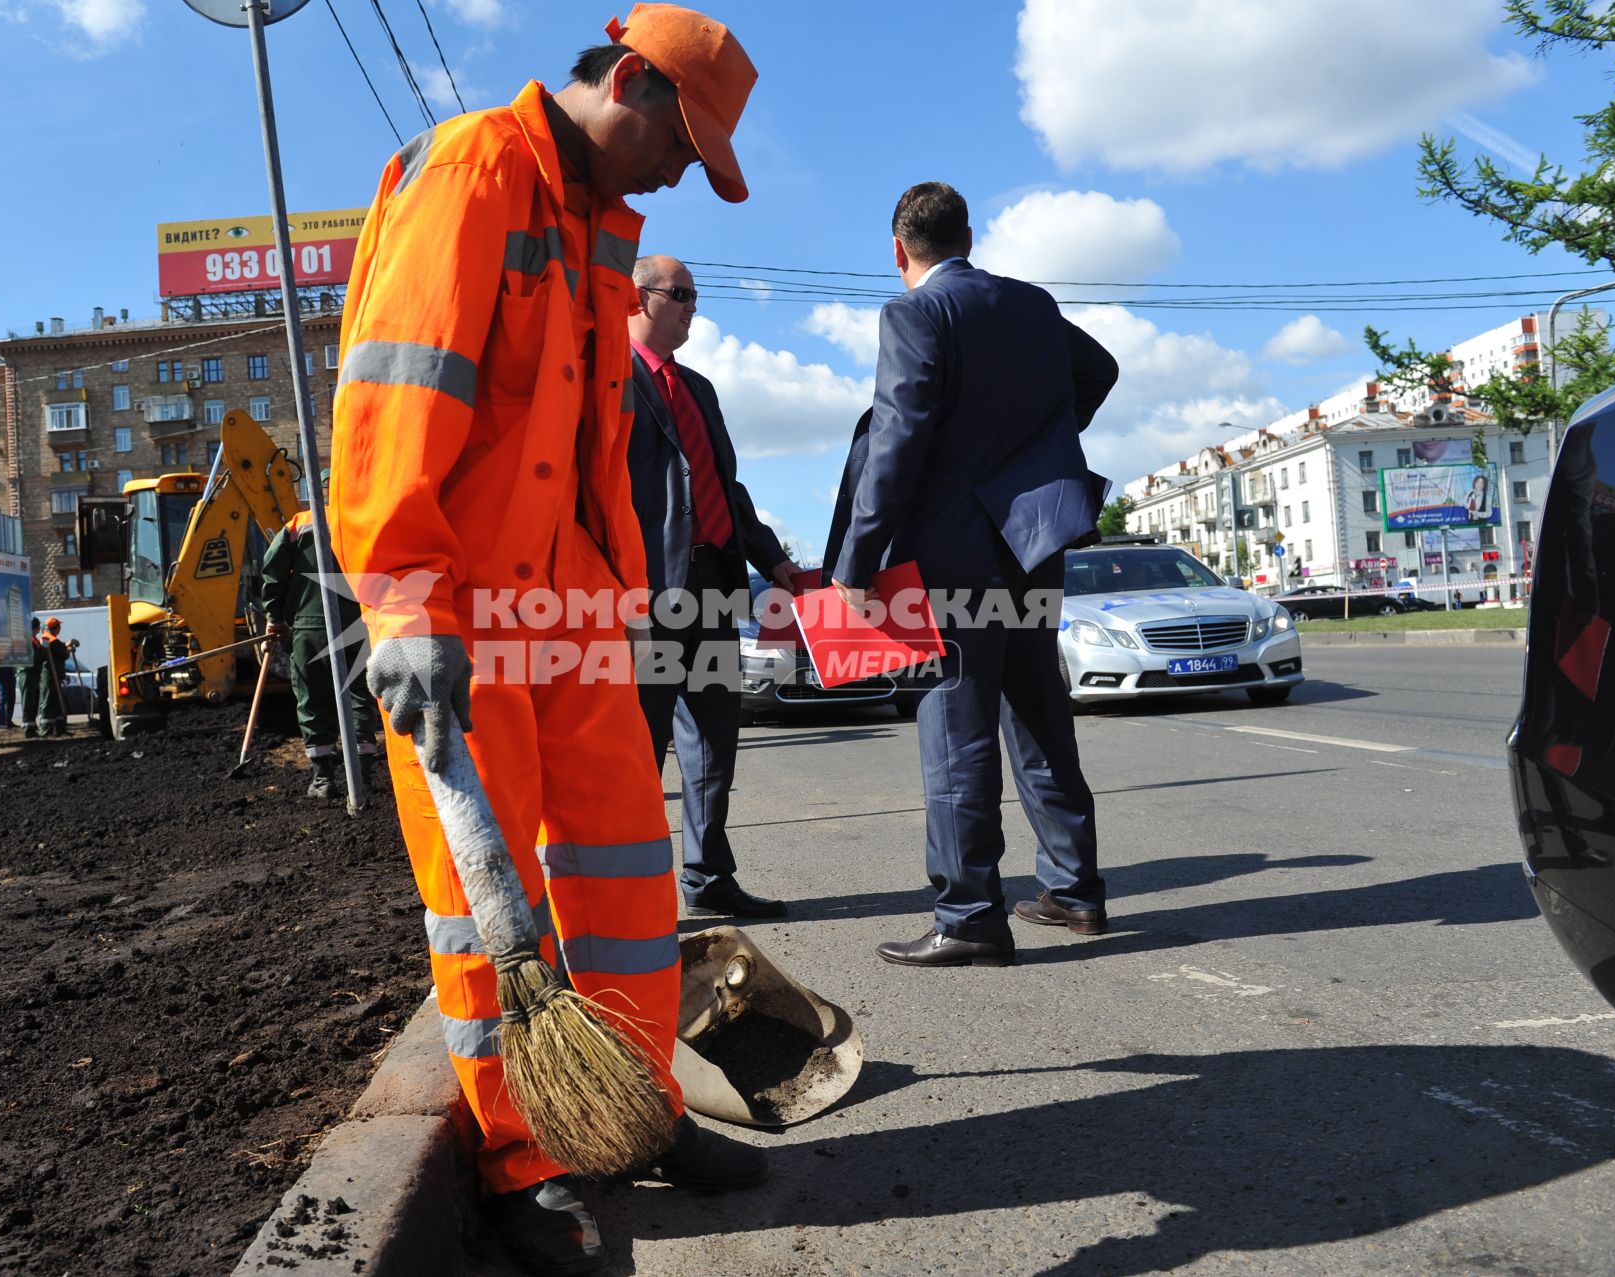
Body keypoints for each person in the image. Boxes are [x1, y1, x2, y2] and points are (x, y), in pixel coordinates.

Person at [325, 8, 765, 1273]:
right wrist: (401, 603)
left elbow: (580, 449)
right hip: (459, 614)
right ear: (626, 79)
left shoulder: (593, 228)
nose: (688, 172)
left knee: (628, 877)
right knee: (485, 908)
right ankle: (526, 1157)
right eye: (686, 140)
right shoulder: (472, 174)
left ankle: (632, 1110)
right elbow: (391, 400)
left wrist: (621, 602)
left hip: (569, 613)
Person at [831, 182, 1119, 969]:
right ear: (969, 235)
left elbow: (897, 439)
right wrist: (1041, 441)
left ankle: (969, 915)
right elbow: (1101, 368)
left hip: (952, 558)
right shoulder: (1030, 305)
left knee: (956, 734)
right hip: (1032, 546)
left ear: (900, 250)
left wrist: (857, 562)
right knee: (1038, 718)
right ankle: (1075, 891)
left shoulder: (914, 313)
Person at [626, 253, 796, 919]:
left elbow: (728, 485)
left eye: (695, 294)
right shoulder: (603, 377)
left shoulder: (698, 387)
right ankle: (629, 893)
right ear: (637, 299)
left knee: (713, 741)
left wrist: (770, 557)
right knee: (641, 747)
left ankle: (708, 877)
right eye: (681, 294)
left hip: (716, 584)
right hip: (647, 592)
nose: (693, 305)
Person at [259, 501, 381, 799]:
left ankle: (323, 778)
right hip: (359, 622)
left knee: (312, 697)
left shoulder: (300, 522)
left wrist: (274, 618)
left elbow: (273, 570)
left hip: (311, 625)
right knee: (359, 695)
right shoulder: (365, 512)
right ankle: (362, 774)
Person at [37, 617, 72, 738]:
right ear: (55, 628)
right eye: (59, 627)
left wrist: (66, 644)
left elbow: (59, 646)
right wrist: (68, 649)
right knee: (48, 701)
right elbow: (62, 654)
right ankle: (46, 730)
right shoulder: (50, 640)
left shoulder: (48, 638)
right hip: (50, 676)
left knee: (56, 702)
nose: (60, 629)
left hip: (52, 675)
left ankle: (58, 729)